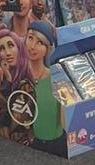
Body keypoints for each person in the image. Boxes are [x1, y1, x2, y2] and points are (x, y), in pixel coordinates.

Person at [25, 19, 65, 151]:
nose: (32, 46)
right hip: (24, 146)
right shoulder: (18, 76)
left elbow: (64, 122)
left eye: (40, 42)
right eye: (30, 38)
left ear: (47, 48)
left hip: (53, 145)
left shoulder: (56, 79)